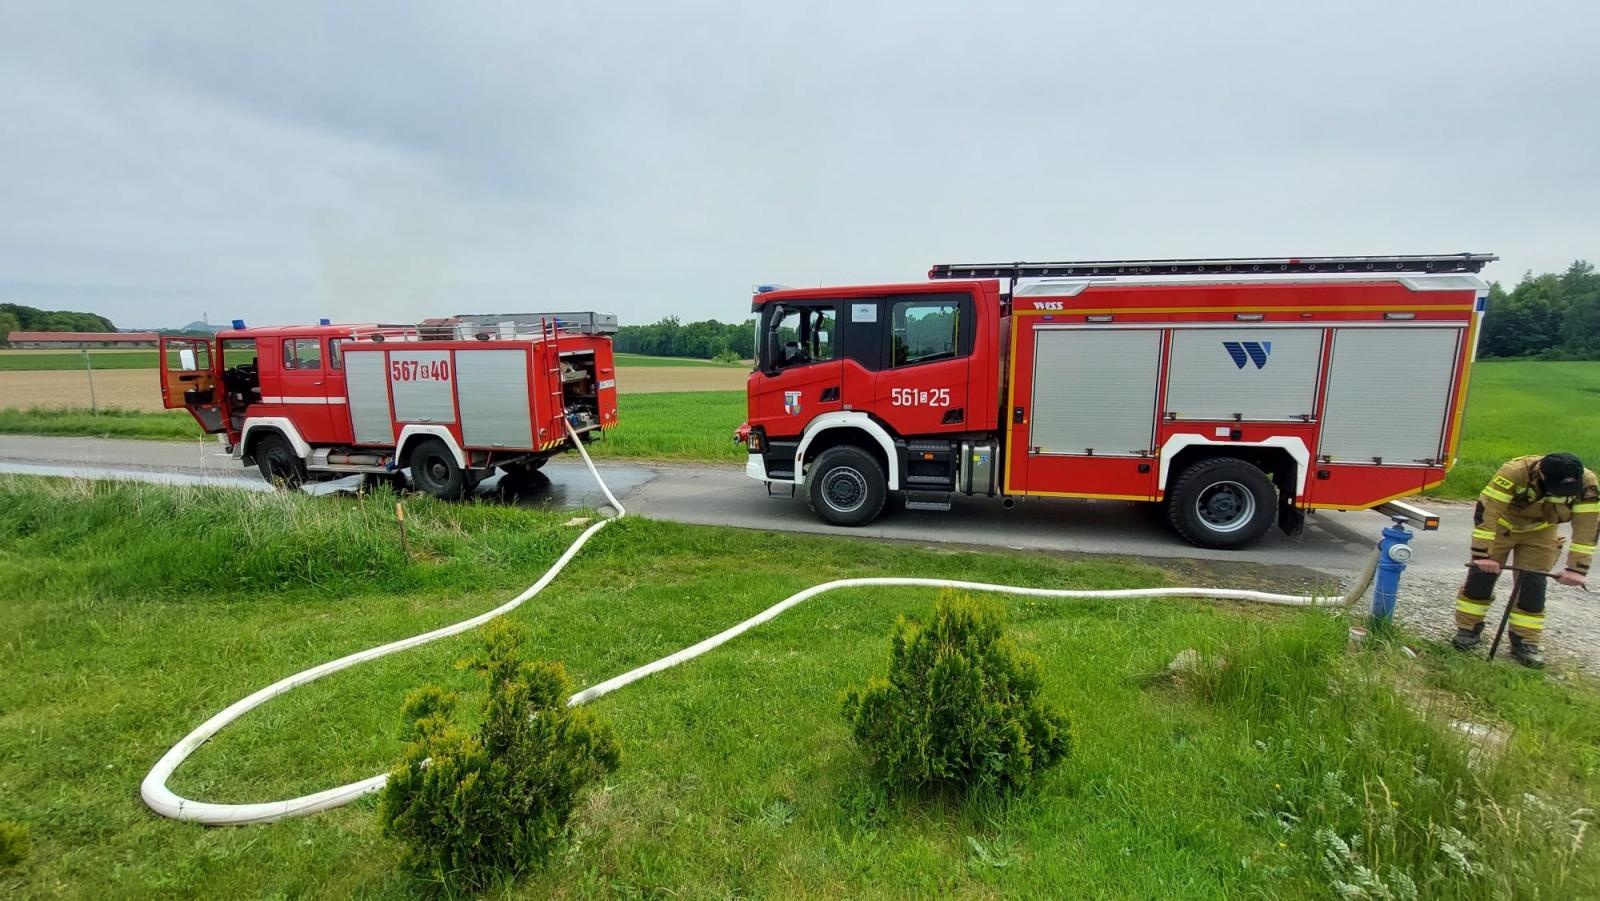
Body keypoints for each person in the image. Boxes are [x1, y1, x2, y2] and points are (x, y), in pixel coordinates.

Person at [1452, 453, 1597, 667]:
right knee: (1481, 577)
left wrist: (1578, 569)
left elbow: (1588, 526)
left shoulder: (1587, 482)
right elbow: (1488, 511)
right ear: (1540, 473)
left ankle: (1525, 641)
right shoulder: (1514, 472)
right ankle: (1467, 629)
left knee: (1533, 585)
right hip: (1502, 526)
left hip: (1542, 531)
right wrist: (1482, 556)